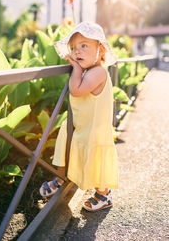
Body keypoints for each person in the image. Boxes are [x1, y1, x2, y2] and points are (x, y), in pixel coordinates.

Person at [39, 21, 118, 212]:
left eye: (84, 46)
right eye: (73, 48)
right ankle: (60, 178)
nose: (77, 52)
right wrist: (80, 69)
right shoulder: (89, 70)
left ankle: (103, 193)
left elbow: (76, 90)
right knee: (63, 147)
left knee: (97, 160)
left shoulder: (98, 72)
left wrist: (76, 69)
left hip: (95, 129)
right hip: (80, 124)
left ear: (101, 51)